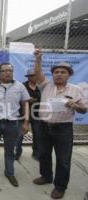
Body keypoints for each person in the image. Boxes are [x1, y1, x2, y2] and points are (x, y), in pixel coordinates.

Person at [32, 49, 88, 199]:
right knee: (43, 154)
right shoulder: (46, 85)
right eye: (56, 71)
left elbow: (84, 109)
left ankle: (60, 187)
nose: (58, 74)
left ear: (69, 74)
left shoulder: (76, 90)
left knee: (63, 160)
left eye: (63, 72)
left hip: (63, 128)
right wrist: (38, 59)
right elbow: (37, 74)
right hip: (44, 126)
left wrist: (75, 106)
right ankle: (46, 176)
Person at [0, 63, 30, 187]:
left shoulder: (20, 86)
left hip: (13, 123)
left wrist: (26, 122)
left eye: (10, 70)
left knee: (10, 150)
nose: (8, 72)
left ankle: (9, 173)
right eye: (5, 71)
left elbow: (25, 104)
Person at [15, 68, 41, 161]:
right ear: (29, 77)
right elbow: (16, 99)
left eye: (36, 76)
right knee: (19, 135)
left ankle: (36, 154)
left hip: (37, 114)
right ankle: (17, 153)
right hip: (23, 114)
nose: (35, 77)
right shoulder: (22, 86)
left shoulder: (40, 87)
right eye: (33, 76)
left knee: (38, 135)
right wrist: (26, 99)